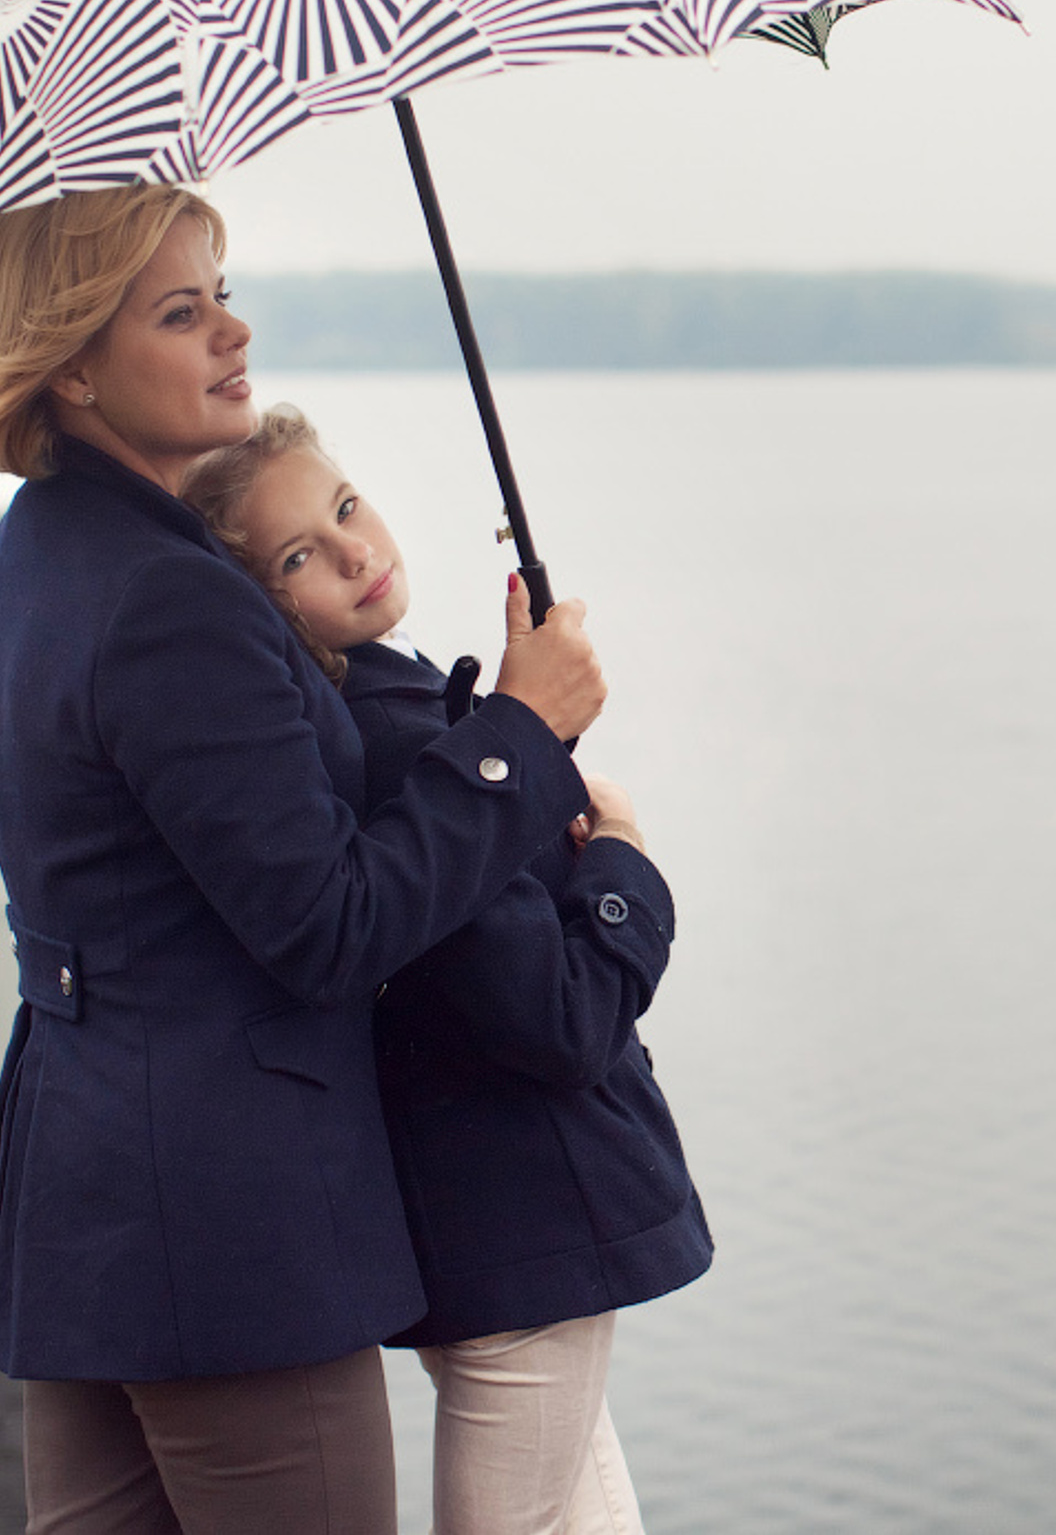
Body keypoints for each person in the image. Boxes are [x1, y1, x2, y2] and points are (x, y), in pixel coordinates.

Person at [0, 184, 606, 1534]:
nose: (233, 328)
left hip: (84, 1196)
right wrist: (520, 735)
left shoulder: (41, 550)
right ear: (76, 369)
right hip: (230, 1235)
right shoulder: (172, 602)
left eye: (220, 289)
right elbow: (327, 924)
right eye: (180, 311)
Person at [184, 406, 713, 1535]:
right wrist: (621, 860)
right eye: (298, 557)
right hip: (523, 1216)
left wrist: (523, 745)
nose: (355, 551)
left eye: (343, 507)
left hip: (496, 1230)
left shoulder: (395, 709)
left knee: (579, 1500)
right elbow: (563, 1019)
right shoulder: (396, 740)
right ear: (258, 608)